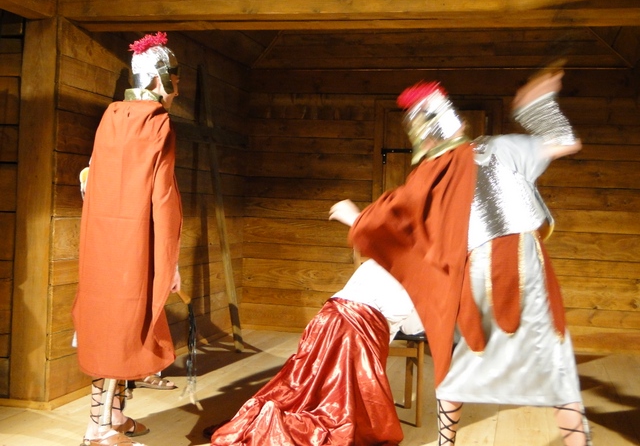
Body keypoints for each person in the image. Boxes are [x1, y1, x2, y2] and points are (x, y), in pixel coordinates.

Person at [329, 68, 592, 446]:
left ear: (422, 137)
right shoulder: (499, 148)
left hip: (478, 268)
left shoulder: (431, 174)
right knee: (553, 359)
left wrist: (356, 218)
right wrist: (536, 105)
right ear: (458, 123)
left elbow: (394, 218)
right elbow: (565, 142)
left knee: (458, 354)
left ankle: (446, 442)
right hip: (529, 261)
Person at [73, 31, 183, 446]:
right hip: (135, 240)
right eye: (174, 81)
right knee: (122, 327)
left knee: (112, 321)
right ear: (158, 79)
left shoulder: (111, 116)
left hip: (103, 237)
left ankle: (115, 414)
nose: (176, 90)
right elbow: (163, 196)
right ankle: (98, 428)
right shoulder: (157, 122)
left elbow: (89, 177)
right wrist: (169, 259)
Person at [207, 258, 424, 446]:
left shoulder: (375, 261)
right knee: (345, 398)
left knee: (304, 381)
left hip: (324, 319)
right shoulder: (421, 278)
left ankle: (285, 409)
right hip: (355, 333)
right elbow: (413, 329)